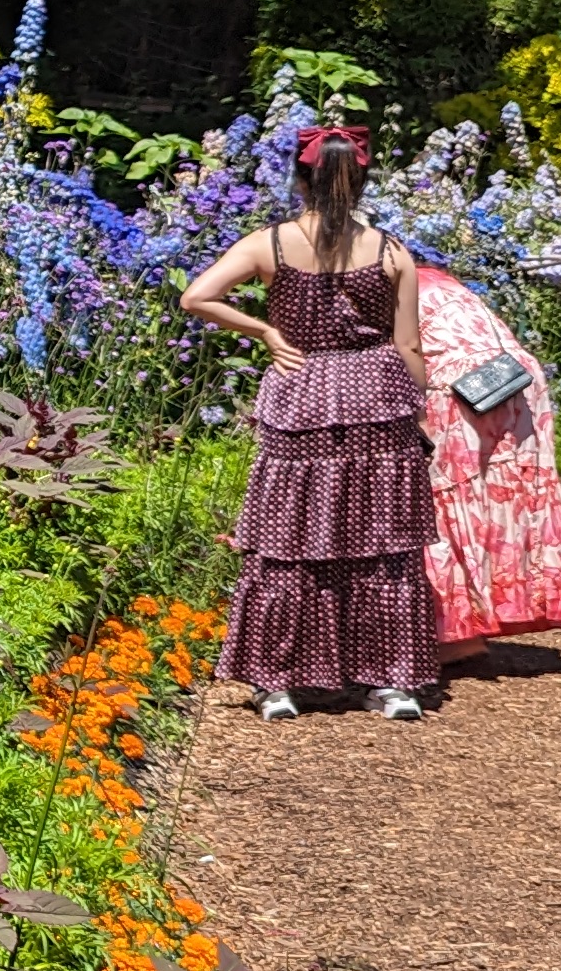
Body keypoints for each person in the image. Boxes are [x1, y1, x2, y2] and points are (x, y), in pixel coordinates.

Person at [181, 125, 437, 721]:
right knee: (383, 545)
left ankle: (278, 683)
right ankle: (390, 683)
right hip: (376, 397)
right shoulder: (392, 253)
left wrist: (266, 331)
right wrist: (418, 407)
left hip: (300, 397)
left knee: (289, 540)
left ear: (300, 180)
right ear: (362, 181)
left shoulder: (268, 246)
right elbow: (409, 347)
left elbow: (197, 297)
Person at [411, 264, 561, 648]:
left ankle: (453, 636)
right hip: (514, 377)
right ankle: (487, 617)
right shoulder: (433, 277)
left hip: (456, 383)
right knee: (505, 497)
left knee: (438, 497)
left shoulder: (373, 279)